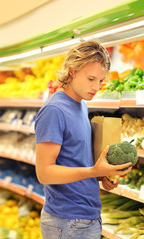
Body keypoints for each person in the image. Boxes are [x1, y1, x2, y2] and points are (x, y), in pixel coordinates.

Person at [35, 40, 132, 239]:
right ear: (72, 71)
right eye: (91, 79)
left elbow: (74, 158)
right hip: (67, 221)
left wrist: (100, 176)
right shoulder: (55, 110)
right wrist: (93, 171)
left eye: (101, 81)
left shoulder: (80, 105)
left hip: (85, 217)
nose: (96, 87)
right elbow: (44, 173)